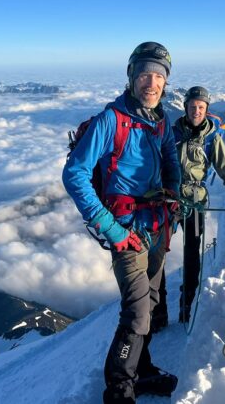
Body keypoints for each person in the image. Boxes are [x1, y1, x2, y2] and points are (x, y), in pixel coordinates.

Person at [62, 41, 181, 404]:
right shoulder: (110, 120)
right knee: (137, 311)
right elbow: (75, 174)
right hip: (127, 230)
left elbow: (171, 159)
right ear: (131, 76)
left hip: (158, 227)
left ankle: (142, 372)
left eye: (159, 76)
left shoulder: (160, 120)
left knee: (153, 299)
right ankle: (119, 390)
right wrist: (111, 229)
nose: (152, 82)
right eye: (144, 73)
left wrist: (174, 198)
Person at [173, 86, 225, 322]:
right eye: (193, 106)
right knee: (158, 254)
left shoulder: (211, 137)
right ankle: (158, 308)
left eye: (201, 107)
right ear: (185, 108)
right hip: (170, 200)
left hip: (194, 201)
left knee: (192, 253)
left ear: (206, 110)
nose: (196, 111)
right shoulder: (172, 133)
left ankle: (189, 302)